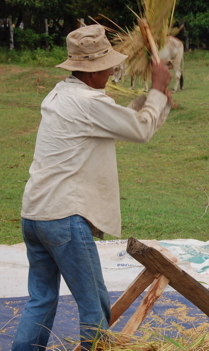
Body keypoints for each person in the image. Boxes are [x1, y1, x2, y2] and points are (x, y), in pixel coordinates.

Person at [11, 24, 172, 351]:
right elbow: (139, 131)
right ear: (91, 71)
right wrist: (157, 88)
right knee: (94, 308)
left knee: (40, 300)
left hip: (34, 215)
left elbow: (114, 120)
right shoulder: (88, 103)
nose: (112, 71)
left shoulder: (60, 94)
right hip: (63, 219)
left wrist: (151, 101)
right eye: (107, 67)